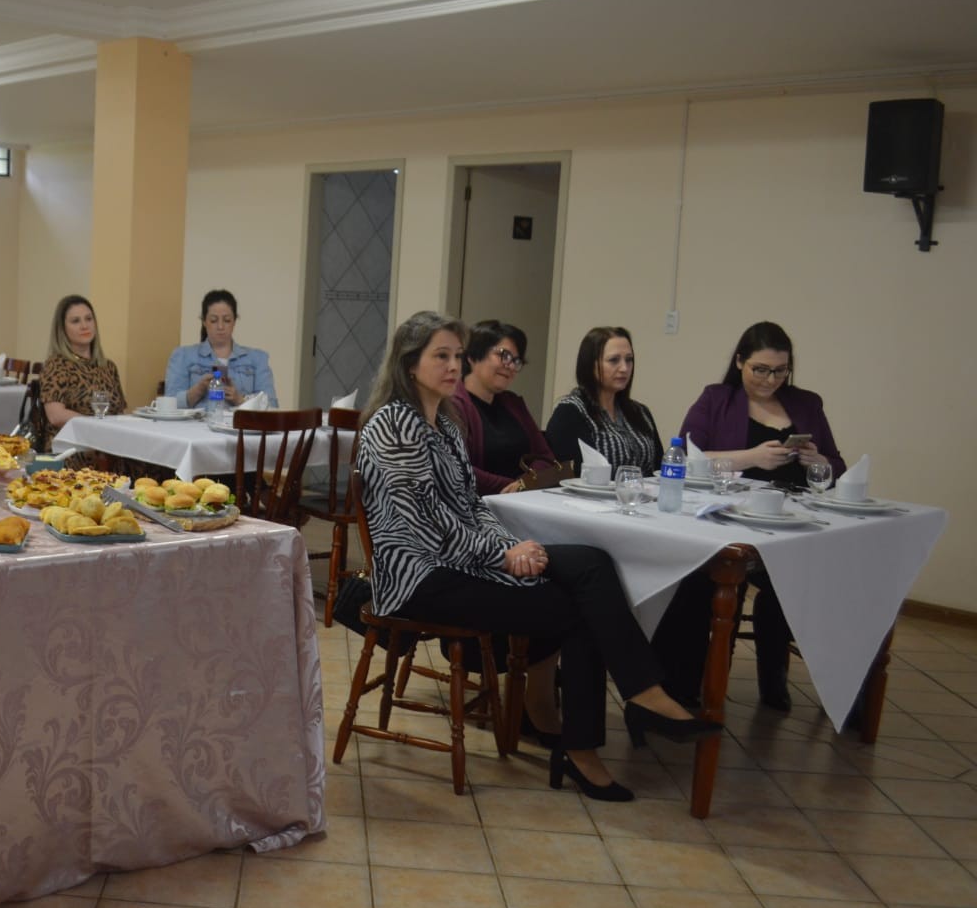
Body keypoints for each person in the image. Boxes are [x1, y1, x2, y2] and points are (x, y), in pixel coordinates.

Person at [354, 311, 718, 801]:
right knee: (580, 610)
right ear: (408, 363)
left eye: (457, 356)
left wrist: (505, 547)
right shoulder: (393, 425)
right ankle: (592, 741)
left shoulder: (444, 420)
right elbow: (426, 526)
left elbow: (470, 506)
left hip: (462, 561)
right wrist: (502, 556)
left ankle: (637, 695)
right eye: (441, 356)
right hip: (420, 578)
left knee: (591, 562)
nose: (453, 366)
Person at [652, 322, 846, 711]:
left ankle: (774, 679)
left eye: (779, 370)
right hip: (730, 519)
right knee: (725, 580)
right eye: (760, 369)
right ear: (740, 361)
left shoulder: (807, 403)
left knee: (789, 586)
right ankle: (705, 678)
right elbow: (686, 457)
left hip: (792, 522)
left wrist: (818, 461)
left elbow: (837, 465)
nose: (770, 379)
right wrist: (752, 458)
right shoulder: (717, 399)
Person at [450, 320, 559, 495]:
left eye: (516, 361)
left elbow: (545, 458)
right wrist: (512, 487)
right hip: (477, 506)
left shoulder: (513, 403)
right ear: (472, 356)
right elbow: (457, 468)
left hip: (521, 502)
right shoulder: (452, 405)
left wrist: (525, 483)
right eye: (504, 355)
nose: (510, 366)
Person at [545, 325, 664, 472]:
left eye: (629, 360)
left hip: (644, 494)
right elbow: (570, 475)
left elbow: (660, 469)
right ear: (590, 365)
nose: (624, 368)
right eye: (614, 360)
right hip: (592, 494)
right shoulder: (570, 412)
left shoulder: (640, 412)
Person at [39, 295, 128, 456]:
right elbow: (56, 416)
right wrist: (94, 428)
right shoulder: (57, 365)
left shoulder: (108, 367)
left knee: (153, 463)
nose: (84, 326)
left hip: (108, 445)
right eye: (75, 321)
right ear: (62, 329)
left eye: (88, 319)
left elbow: (120, 412)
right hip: (72, 448)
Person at [163, 289, 278, 408]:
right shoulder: (183, 356)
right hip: (194, 425)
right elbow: (169, 404)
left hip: (238, 426)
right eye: (213, 320)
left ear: (234, 321)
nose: (220, 326)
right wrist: (197, 391)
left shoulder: (257, 359)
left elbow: (271, 406)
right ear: (204, 321)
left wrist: (240, 400)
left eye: (227, 320)